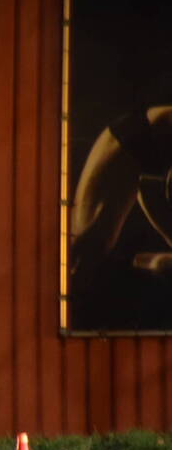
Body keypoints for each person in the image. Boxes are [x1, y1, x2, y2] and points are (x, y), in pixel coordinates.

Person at [69, 105, 172, 330]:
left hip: (135, 134)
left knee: (85, 250)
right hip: (136, 137)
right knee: (86, 251)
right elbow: (148, 191)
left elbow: (148, 188)